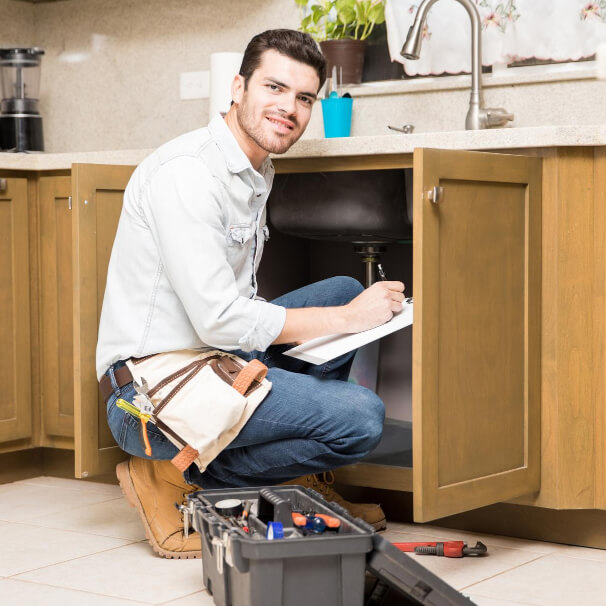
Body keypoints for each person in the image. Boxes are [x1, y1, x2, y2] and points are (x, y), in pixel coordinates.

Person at [97, 29, 405, 559]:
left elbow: (231, 318)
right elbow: (219, 318)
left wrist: (347, 309)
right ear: (238, 87)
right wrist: (347, 320)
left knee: (342, 288)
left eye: (304, 98)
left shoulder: (252, 168)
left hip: (211, 357)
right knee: (361, 418)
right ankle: (171, 477)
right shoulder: (189, 174)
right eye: (275, 88)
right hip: (149, 395)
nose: (289, 108)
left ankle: (292, 482)